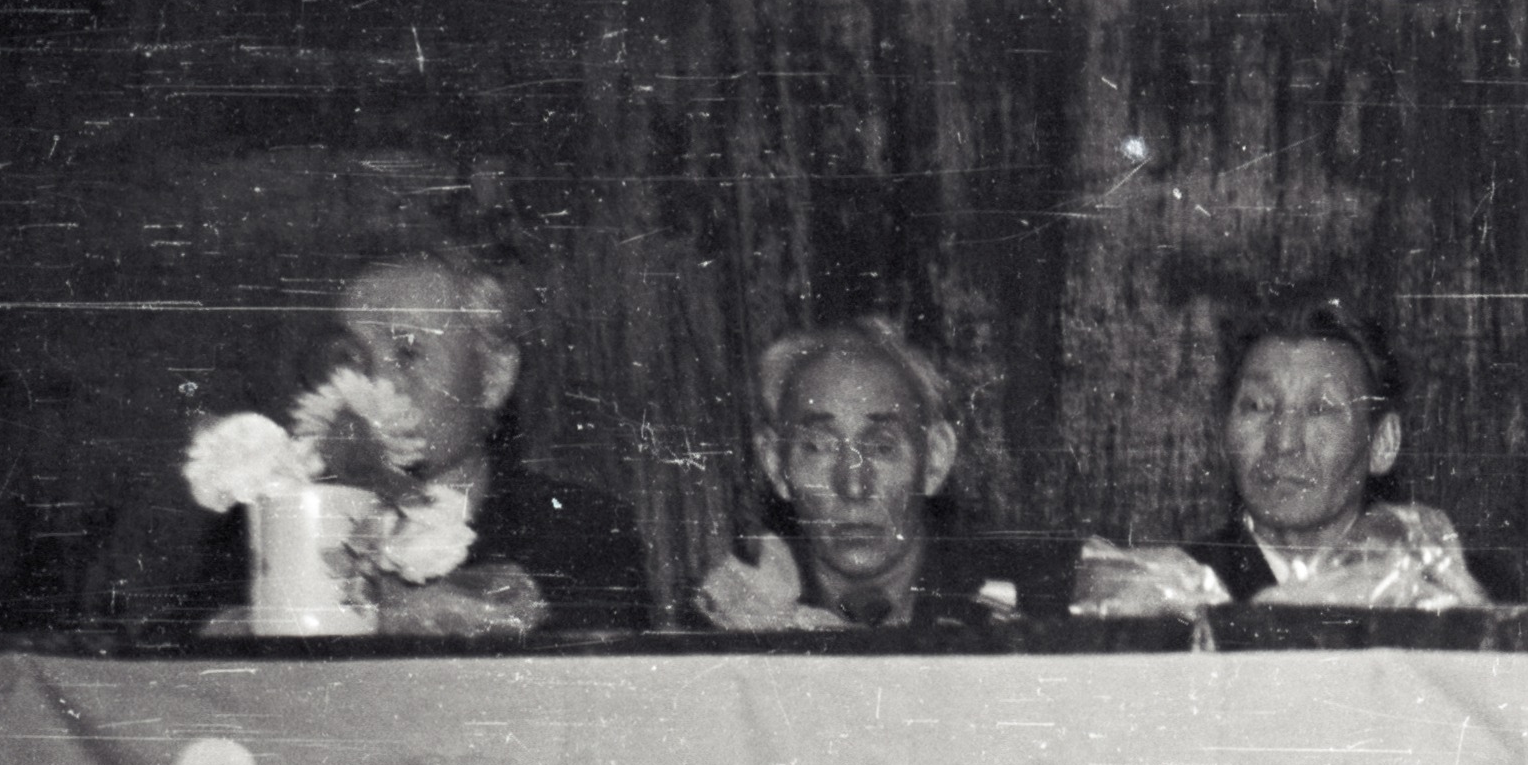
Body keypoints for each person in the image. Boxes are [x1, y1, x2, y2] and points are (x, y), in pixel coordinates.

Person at [197, 246, 648, 638]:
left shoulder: (581, 534)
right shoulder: (268, 524)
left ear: (493, 376)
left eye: (407, 352)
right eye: (351, 357)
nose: (374, 380)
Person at [1072, 295, 1498, 613]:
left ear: (1383, 443)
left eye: (1321, 409)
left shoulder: (1453, 594)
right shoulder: (1169, 595)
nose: (1283, 441)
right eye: (1258, 406)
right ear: (1223, 431)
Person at [695, 317, 1068, 631]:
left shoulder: (1035, 605)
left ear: (934, 460)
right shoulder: (733, 618)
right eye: (819, 447)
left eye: (882, 447)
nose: (854, 486)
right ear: (776, 465)